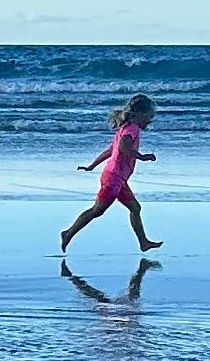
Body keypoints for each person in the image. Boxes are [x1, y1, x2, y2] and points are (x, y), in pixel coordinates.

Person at [59, 92, 159, 258]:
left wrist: (91, 166)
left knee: (135, 208)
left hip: (117, 178)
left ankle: (144, 243)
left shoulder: (124, 129)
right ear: (140, 114)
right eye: (149, 116)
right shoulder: (132, 129)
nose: (150, 120)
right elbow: (123, 149)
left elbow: (110, 152)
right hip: (113, 179)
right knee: (97, 210)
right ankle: (68, 233)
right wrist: (143, 157)